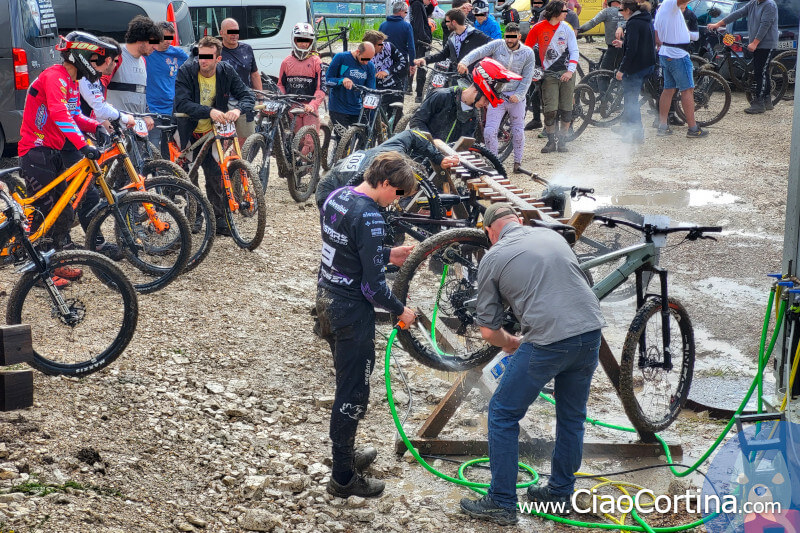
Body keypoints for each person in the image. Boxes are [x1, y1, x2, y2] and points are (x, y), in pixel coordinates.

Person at [458, 202, 605, 525]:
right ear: (520, 221)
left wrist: (510, 343)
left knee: (502, 412)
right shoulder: (552, 237)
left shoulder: (493, 257)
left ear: (489, 233)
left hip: (548, 340)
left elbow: (487, 330)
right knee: (571, 416)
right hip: (591, 331)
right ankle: (560, 492)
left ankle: (501, 501)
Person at [315, 151, 418, 499]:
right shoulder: (371, 216)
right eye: (399, 193)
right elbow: (373, 288)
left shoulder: (337, 196)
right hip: (351, 310)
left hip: (326, 299)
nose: (397, 201)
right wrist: (401, 311)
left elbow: (344, 246)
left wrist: (386, 254)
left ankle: (345, 455)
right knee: (353, 392)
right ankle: (343, 477)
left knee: (346, 381)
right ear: (386, 183)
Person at [18, 31, 117, 286]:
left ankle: (56, 263)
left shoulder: (71, 81)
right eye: (95, 59)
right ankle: (38, 274)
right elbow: (60, 114)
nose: (98, 65)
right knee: (44, 213)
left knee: (63, 213)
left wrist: (96, 126)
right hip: (35, 151)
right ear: (82, 56)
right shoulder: (55, 76)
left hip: (52, 152)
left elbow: (73, 115)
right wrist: (84, 146)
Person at [174, 36, 255, 235]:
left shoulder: (226, 71)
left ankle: (219, 218)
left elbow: (247, 94)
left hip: (213, 133)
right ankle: (194, 215)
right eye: (201, 55)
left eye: (209, 57)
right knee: (189, 176)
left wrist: (238, 111)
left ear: (218, 59)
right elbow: (181, 103)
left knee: (216, 175)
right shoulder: (186, 70)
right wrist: (209, 111)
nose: (203, 60)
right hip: (188, 131)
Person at [315, 129, 460, 208]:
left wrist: (439, 158)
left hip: (345, 173)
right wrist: (406, 194)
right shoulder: (372, 178)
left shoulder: (394, 149)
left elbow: (412, 134)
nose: (399, 195)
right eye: (400, 191)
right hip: (329, 189)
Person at [458, 23, 534, 174]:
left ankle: (517, 162)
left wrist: (518, 95)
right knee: (489, 131)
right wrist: (465, 61)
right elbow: (479, 52)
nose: (509, 40)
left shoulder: (528, 53)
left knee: (518, 130)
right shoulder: (498, 44)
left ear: (519, 37)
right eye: (507, 37)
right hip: (496, 96)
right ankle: (494, 161)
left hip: (516, 96)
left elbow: (527, 77)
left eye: (513, 38)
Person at [409, 57, 520, 142]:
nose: (486, 104)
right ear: (477, 91)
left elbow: (465, 144)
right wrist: (430, 144)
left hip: (446, 162)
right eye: (486, 100)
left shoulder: (472, 115)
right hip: (422, 155)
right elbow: (416, 121)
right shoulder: (442, 96)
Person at [525, 0, 579, 153]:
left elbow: (574, 50)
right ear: (555, 12)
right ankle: (550, 141)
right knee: (550, 110)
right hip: (548, 74)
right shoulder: (538, 28)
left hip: (566, 72)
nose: (567, 13)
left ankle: (562, 142)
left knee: (566, 108)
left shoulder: (566, 28)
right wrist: (532, 70)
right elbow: (527, 51)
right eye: (564, 11)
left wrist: (570, 70)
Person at [707, 0, 778, 114]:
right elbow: (738, 13)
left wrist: (755, 42)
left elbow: (765, 25)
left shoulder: (769, 5)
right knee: (760, 71)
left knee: (761, 72)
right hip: (756, 44)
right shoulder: (753, 3)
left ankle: (759, 103)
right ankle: (767, 100)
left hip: (766, 44)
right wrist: (719, 24)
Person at [653, 0, 708, 137]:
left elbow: (656, 32)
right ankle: (693, 129)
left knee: (668, 89)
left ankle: (663, 126)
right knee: (687, 90)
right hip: (677, 54)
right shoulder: (670, 4)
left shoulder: (662, 8)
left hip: (667, 52)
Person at [105, 16, 162, 132]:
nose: (155, 47)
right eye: (152, 43)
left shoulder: (143, 61)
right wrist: (104, 121)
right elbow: (98, 88)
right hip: (115, 127)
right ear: (140, 39)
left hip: (135, 128)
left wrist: (145, 114)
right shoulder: (117, 57)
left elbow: (140, 92)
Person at [614, 0, 656, 144]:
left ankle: (637, 135)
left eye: (621, 10)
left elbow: (632, 50)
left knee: (631, 101)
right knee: (631, 100)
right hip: (648, 64)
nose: (620, 13)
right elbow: (641, 42)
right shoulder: (645, 18)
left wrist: (622, 69)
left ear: (628, 10)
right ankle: (627, 129)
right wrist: (623, 43)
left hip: (636, 67)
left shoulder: (633, 23)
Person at [145, 21, 189, 149]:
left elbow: (192, 67)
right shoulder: (148, 53)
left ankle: (168, 168)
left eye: (171, 38)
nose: (168, 41)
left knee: (171, 145)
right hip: (152, 107)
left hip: (172, 106)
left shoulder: (177, 54)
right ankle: (151, 169)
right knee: (152, 144)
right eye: (165, 38)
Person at [219, 18, 262, 145]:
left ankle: (237, 164)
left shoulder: (247, 49)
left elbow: (254, 74)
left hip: (245, 99)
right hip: (223, 101)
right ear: (221, 32)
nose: (234, 34)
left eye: (236, 31)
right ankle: (220, 164)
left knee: (246, 139)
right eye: (230, 31)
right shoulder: (216, 50)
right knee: (224, 141)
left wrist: (260, 97)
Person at [326, 42, 376, 147]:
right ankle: (338, 160)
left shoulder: (370, 66)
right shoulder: (341, 58)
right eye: (365, 59)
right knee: (344, 142)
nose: (366, 63)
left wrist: (372, 116)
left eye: (369, 59)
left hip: (357, 109)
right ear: (358, 52)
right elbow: (327, 80)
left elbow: (371, 90)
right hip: (338, 108)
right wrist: (342, 80)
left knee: (367, 136)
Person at [278, 23, 325, 134]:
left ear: (311, 42)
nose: (303, 44)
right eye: (299, 40)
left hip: (309, 107)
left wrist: (313, 105)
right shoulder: (286, 62)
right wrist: (282, 99)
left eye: (307, 41)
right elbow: (280, 84)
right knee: (293, 140)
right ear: (293, 40)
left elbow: (322, 88)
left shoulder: (317, 62)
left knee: (309, 141)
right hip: (292, 107)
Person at [414, 9, 491, 74]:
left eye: (447, 21)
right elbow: (443, 54)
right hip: (456, 77)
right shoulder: (452, 37)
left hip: (472, 78)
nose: (446, 24)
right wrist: (425, 59)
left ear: (454, 22)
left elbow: (494, 46)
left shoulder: (476, 35)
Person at [363, 30, 407, 123]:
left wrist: (387, 71)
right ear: (371, 46)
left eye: (382, 43)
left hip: (394, 86)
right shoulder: (364, 54)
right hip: (376, 90)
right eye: (379, 44)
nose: (382, 45)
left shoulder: (389, 46)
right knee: (376, 120)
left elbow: (402, 62)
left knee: (396, 117)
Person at [380, 1, 416, 93]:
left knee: (384, 86)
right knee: (400, 87)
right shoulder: (407, 26)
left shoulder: (383, 25)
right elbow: (411, 46)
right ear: (401, 11)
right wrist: (412, 63)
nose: (406, 14)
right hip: (401, 60)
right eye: (406, 12)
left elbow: (378, 44)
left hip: (385, 60)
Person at [578, 0, 625, 70]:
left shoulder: (606, 12)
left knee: (603, 73)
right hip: (626, 47)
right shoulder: (627, 11)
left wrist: (578, 30)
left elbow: (592, 22)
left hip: (613, 47)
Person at [410, 0, 433, 102]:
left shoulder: (418, 4)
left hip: (419, 40)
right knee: (422, 65)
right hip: (421, 41)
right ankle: (419, 93)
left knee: (418, 63)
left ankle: (411, 88)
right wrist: (426, 39)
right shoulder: (417, 5)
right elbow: (419, 25)